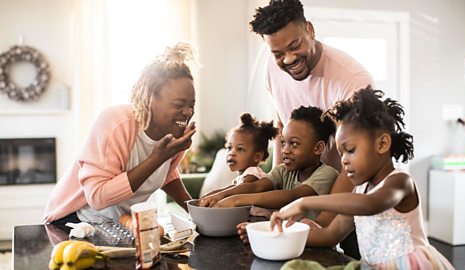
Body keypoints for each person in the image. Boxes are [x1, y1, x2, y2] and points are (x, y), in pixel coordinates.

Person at [270, 87, 455, 269]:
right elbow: (330, 235)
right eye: (341, 154)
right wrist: (278, 234)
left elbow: (370, 204)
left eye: (350, 150)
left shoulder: (400, 182)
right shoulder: (359, 191)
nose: (343, 161)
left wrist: (305, 203)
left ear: (382, 144)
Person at [249, 0, 374, 258]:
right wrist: (279, 190)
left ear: (310, 29)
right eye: (278, 53)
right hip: (309, 191)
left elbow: (355, 161)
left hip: (356, 193)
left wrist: (321, 222)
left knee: (354, 260)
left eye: (295, 46)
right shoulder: (272, 69)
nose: (289, 59)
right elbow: (283, 126)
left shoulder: (352, 80)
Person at [43, 43, 197, 225]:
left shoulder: (174, 135)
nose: (187, 112)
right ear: (150, 99)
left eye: (191, 105)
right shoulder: (116, 122)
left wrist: (196, 210)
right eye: (179, 105)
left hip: (117, 224)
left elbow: (166, 175)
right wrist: (158, 158)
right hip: (73, 220)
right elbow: (97, 197)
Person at [199, 106, 337, 221]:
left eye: (294, 144)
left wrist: (237, 200)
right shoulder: (283, 170)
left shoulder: (327, 173)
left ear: (318, 148)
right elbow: (255, 187)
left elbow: (293, 196)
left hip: (314, 247)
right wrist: (217, 195)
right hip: (284, 238)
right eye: (283, 142)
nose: (285, 150)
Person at [201, 112, 278, 217]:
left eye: (240, 149)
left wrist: (218, 195)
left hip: (261, 220)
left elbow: (242, 189)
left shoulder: (253, 174)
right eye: (229, 147)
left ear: (257, 157)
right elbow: (232, 188)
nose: (231, 152)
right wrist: (212, 194)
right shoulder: (243, 176)